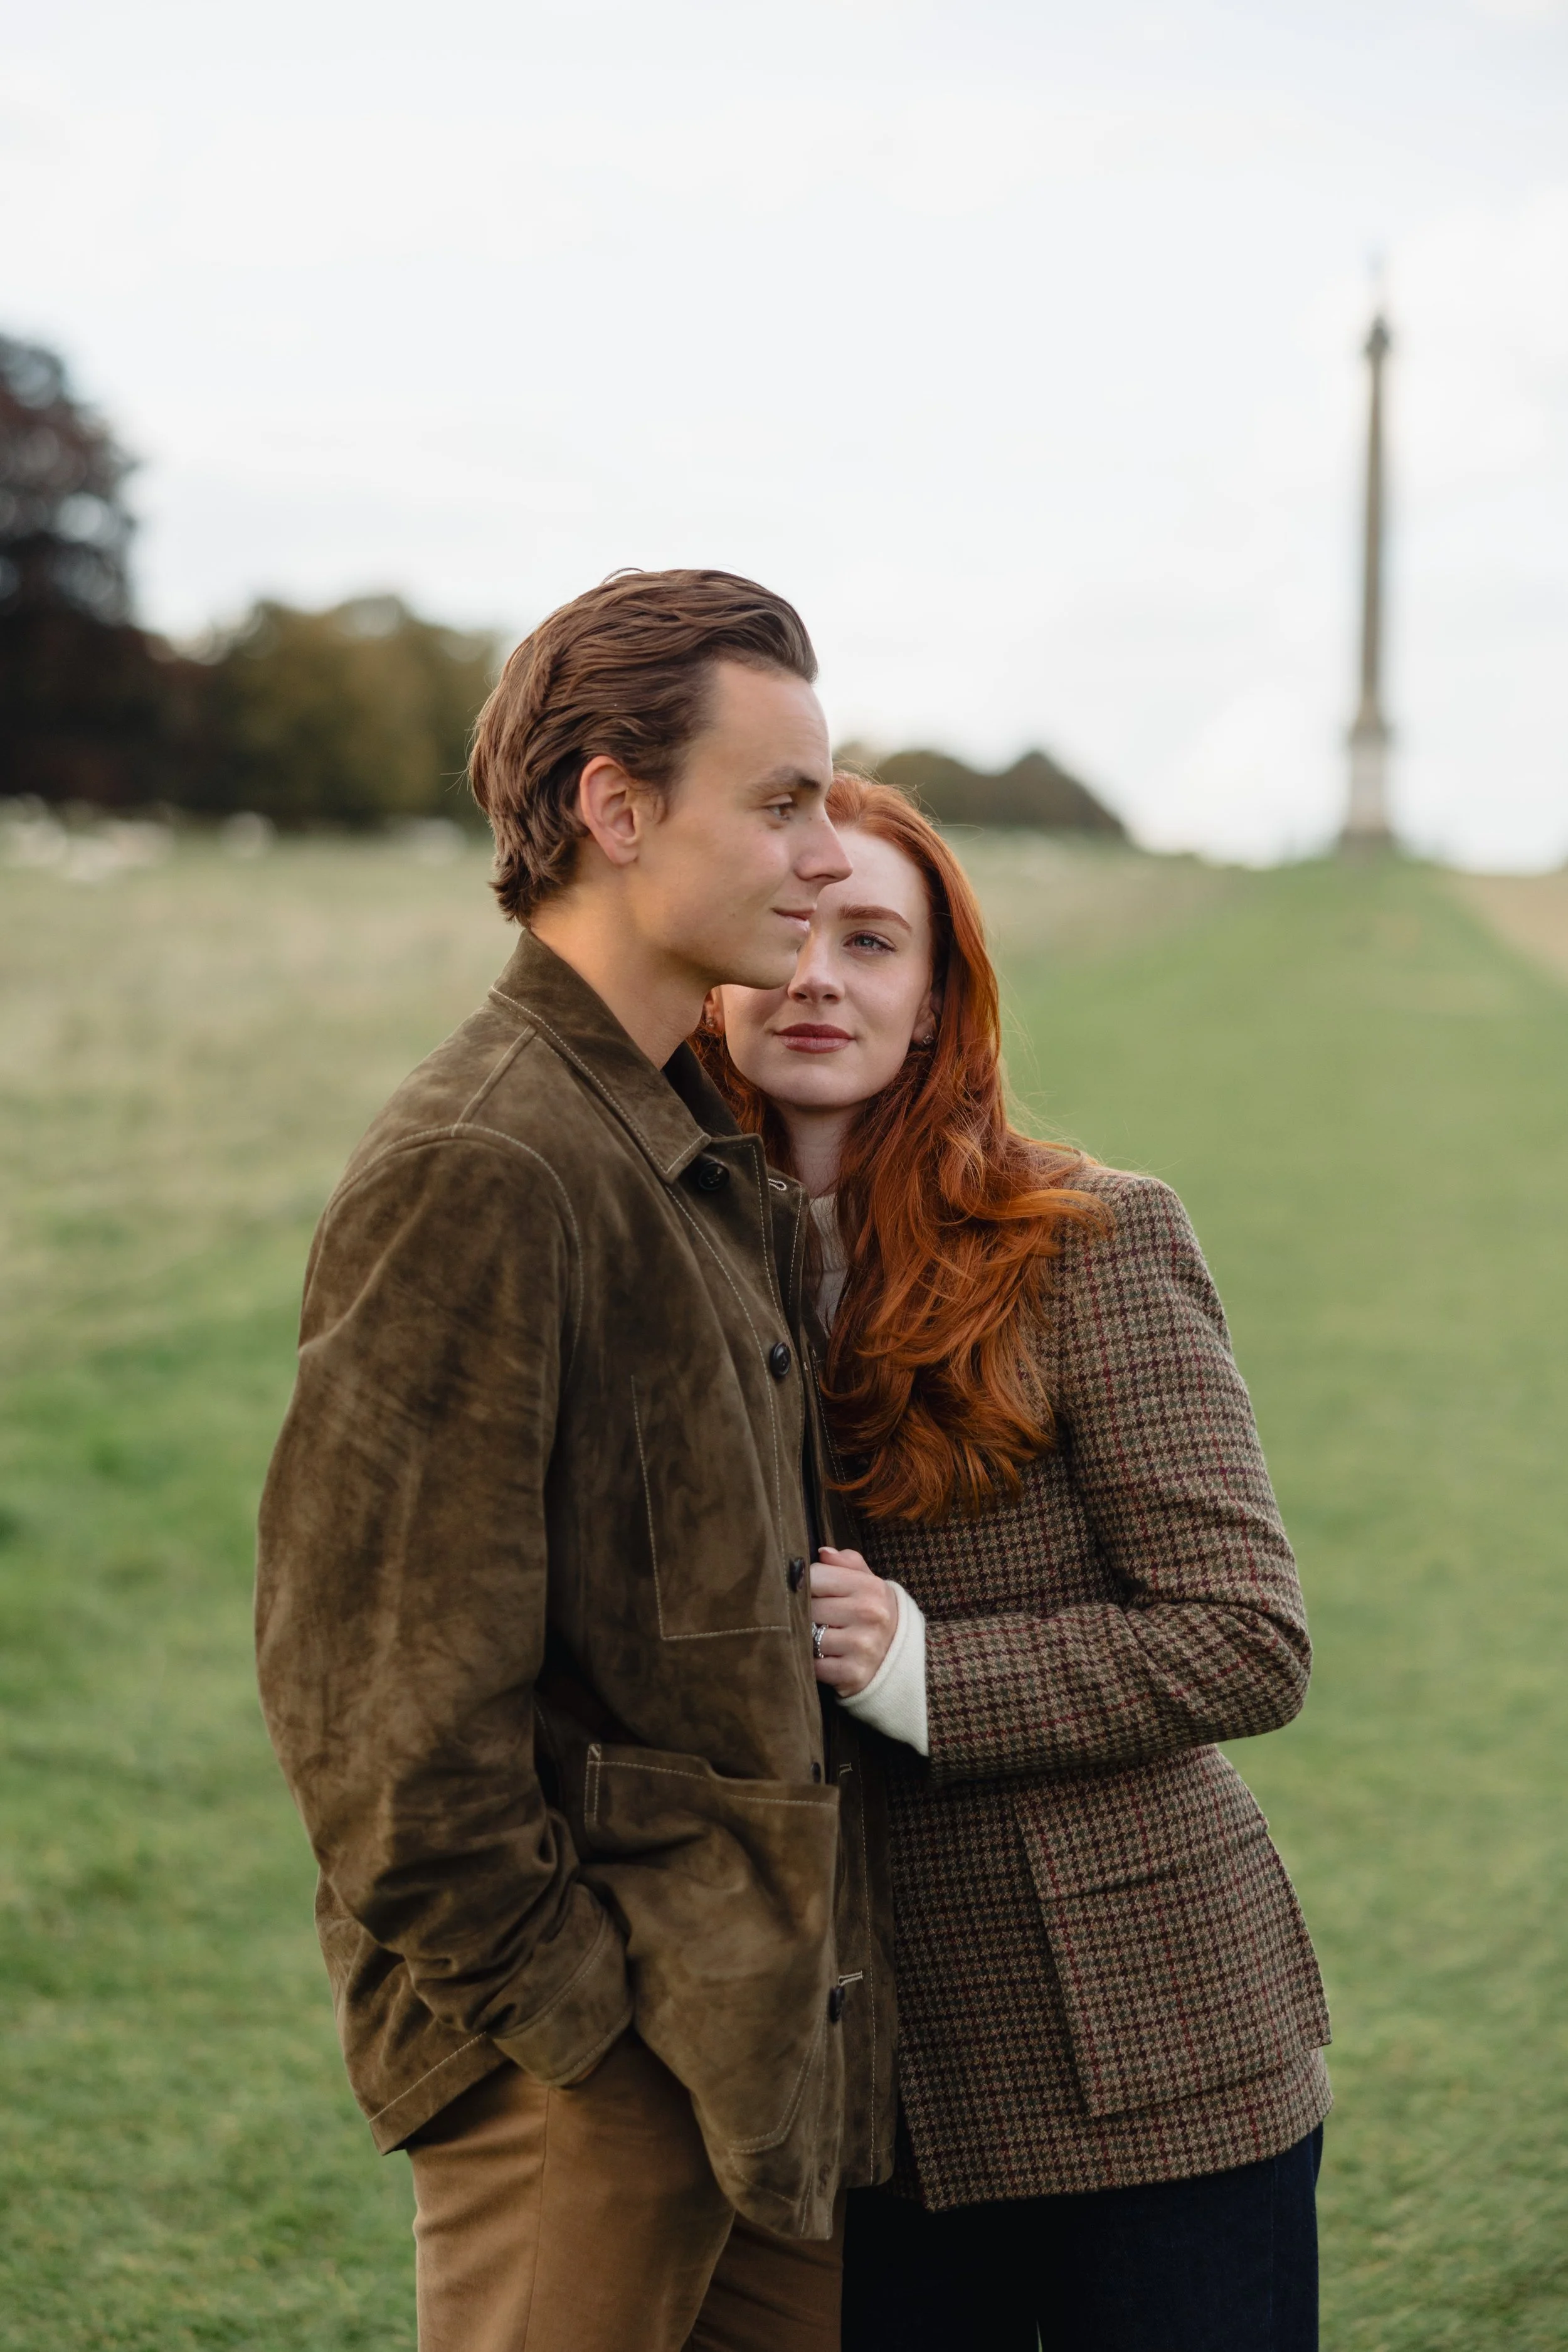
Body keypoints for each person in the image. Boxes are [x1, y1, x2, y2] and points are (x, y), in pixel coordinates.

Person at [255, 573, 896, 2352]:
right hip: (580, 2069)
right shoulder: (486, 1160)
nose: (830, 853)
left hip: (747, 2038)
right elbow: (375, 1707)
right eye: (780, 802)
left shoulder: (681, 1142)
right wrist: (574, 2020)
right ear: (616, 809)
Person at [701, 773, 1333, 2352]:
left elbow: (1245, 1637)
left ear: (932, 1003)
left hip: (1143, 2049)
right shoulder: (657, 1258)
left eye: (870, 941)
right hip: (855, 2081)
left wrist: (922, 1670)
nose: (815, 976)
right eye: (785, 929)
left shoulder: (1088, 1244)